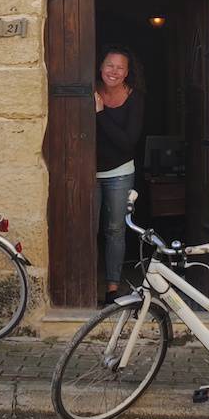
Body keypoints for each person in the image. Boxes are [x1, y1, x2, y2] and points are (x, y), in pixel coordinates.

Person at [94, 47, 145, 305]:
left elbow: (127, 143)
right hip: (85, 173)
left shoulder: (133, 99)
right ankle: (84, 285)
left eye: (120, 67)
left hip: (119, 172)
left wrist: (101, 114)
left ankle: (112, 286)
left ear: (127, 73)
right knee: (85, 229)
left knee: (115, 230)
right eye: (109, 65)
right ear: (100, 67)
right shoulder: (87, 90)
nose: (113, 72)